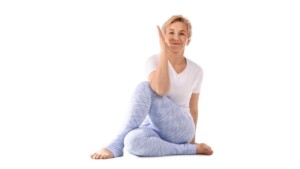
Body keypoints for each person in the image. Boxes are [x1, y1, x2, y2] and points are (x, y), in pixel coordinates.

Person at [90, 15, 213, 159]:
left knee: (145, 87)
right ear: (163, 36)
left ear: (188, 40)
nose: (175, 37)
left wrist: (192, 140)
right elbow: (160, 88)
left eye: (182, 34)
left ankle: (116, 144)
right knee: (132, 142)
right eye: (171, 32)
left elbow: (192, 108)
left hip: (181, 128)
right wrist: (164, 52)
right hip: (153, 128)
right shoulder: (152, 61)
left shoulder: (196, 70)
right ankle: (187, 150)